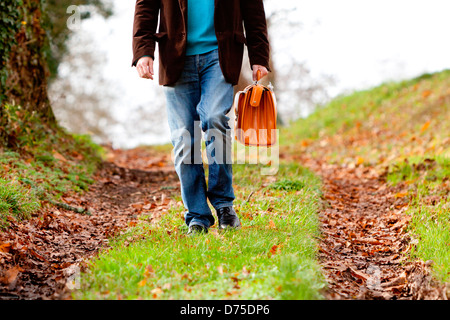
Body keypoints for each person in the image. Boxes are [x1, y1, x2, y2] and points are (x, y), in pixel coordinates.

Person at [132, 0, 271, 235]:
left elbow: (254, 11)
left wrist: (259, 55)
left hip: (221, 54)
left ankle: (224, 205)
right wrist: (143, 52)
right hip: (175, 56)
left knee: (215, 118)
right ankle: (197, 215)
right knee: (184, 140)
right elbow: (145, 9)